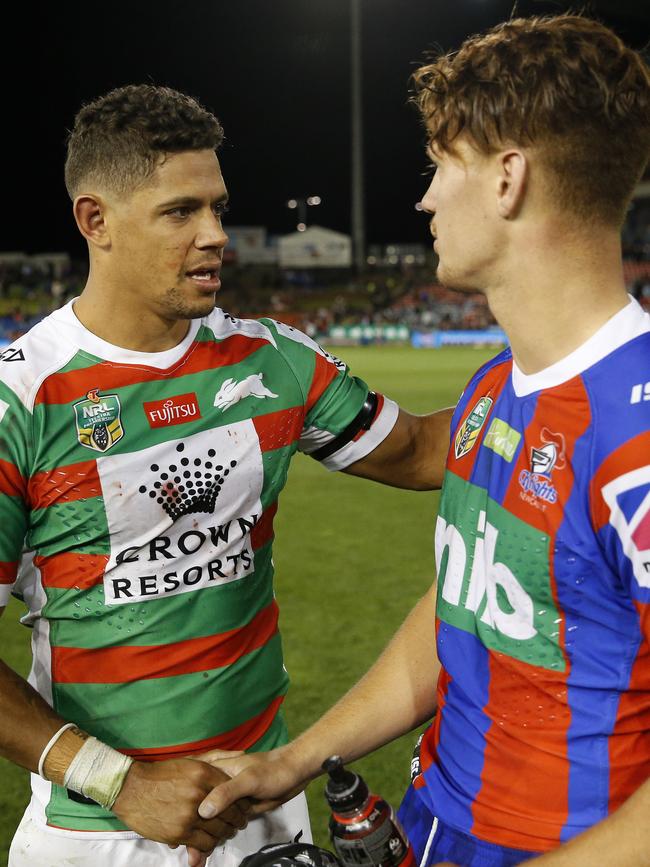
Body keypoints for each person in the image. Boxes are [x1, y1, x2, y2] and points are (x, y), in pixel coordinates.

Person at [195, 14, 650, 867]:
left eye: (443, 164)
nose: (426, 197)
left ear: (509, 178)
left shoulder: (637, 433)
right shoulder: (491, 387)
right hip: (432, 823)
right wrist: (294, 762)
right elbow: (457, 615)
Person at [0, 84, 453, 866]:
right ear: (94, 221)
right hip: (100, 832)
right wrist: (120, 780)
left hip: (265, 804)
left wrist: (557, 375)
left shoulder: (271, 360)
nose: (215, 235)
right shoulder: (23, 399)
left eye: (217, 207)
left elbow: (417, 450)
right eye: (182, 212)